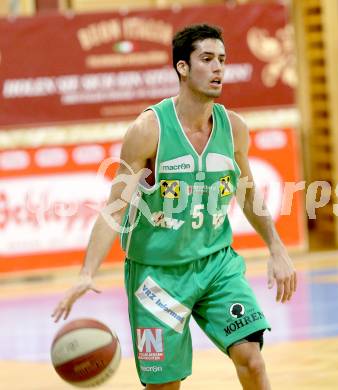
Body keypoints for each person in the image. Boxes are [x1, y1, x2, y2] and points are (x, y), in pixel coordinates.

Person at [52, 24, 297, 390]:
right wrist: (87, 272)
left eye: (222, 61)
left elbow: (246, 192)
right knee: (164, 386)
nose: (218, 69)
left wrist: (277, 247)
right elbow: (115, 209)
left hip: (217, 266)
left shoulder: (234, 128)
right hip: (158, 277)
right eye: (207, 59)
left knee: (252, 359)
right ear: (182, 67)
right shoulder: (148, 130)